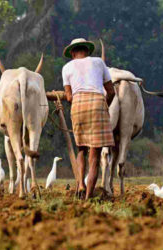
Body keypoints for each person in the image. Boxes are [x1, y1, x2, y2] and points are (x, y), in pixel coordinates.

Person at [62, 38, 115, 199]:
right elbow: (111, 92)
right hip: (98, 104)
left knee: (81, 148)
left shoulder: (66, 67)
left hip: (78, 106)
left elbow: (69, 97)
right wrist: (103, 106)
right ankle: (88, 198)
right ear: (87, 51)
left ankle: (81, 184)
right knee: (95, 155)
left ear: (72, 53)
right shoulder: (99, 62)